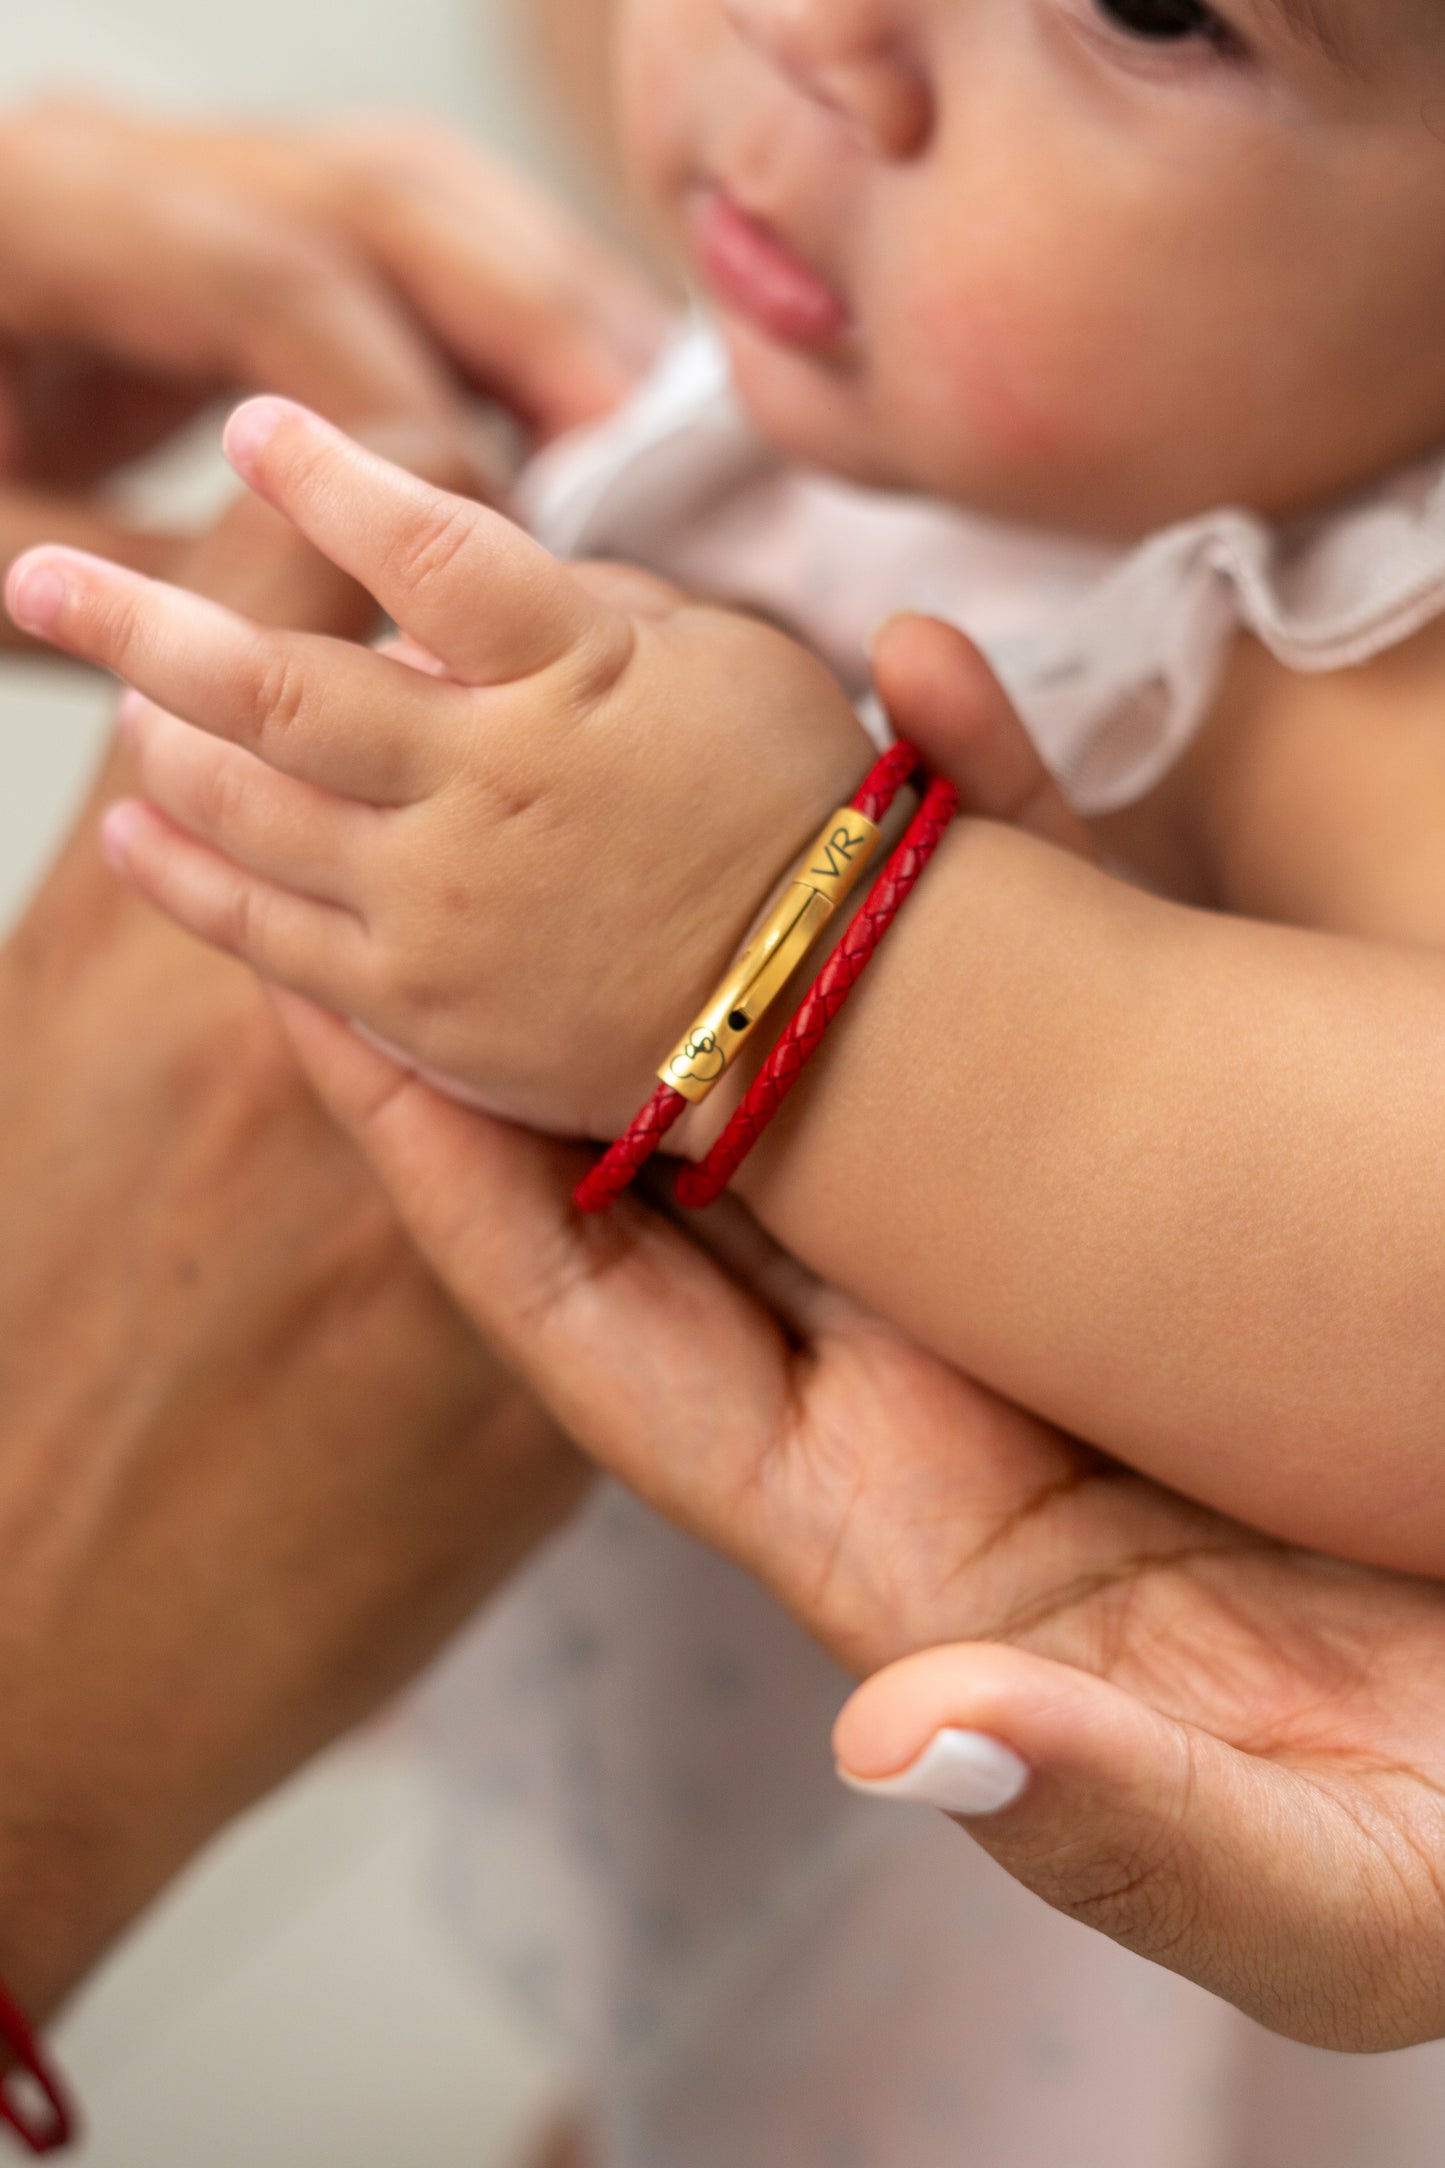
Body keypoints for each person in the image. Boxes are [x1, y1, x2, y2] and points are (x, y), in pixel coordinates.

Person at [10, 0, 1445, 2158]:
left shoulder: (1360, 657)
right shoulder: (982, 298)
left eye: (1150, 9)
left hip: (1033, 1890)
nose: (803, 25)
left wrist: (771, 945)